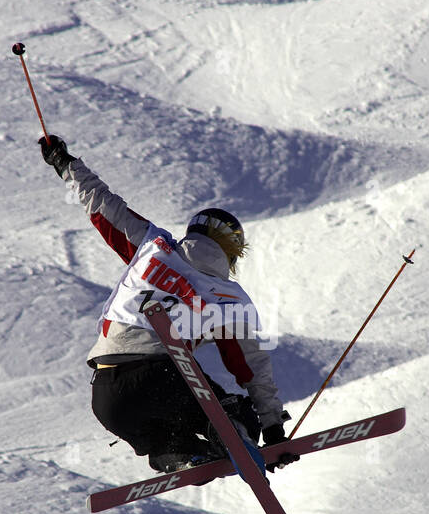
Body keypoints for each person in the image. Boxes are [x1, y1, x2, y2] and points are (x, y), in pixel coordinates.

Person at [38, 134, 298, 474]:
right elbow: (250, 365)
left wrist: (65, 164)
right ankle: (233, 436)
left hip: (106, 395)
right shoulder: (228, 297)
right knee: (230, 410)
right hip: (162, 378)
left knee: (163, 439)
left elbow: (102, 204)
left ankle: (178, 454)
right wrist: (273, 428)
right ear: (233, 253)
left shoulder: (153, 245)